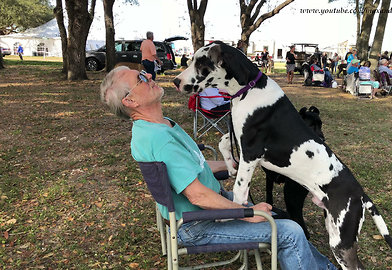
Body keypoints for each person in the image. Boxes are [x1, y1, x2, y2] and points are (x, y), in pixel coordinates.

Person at [99, 66, 338, 270]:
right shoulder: (158, 140)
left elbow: (197, 166)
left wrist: (230, 164)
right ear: (130, 101)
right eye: (140, 79)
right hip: (198, 223)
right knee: (290, 232)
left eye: (143, 72)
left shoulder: (160, 127)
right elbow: (197, 195)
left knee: (282, 218)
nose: (148, 76)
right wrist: (247, 212)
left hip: (210, 206)